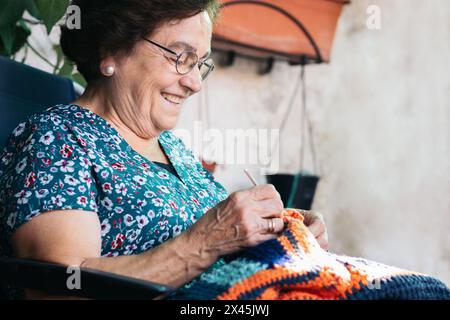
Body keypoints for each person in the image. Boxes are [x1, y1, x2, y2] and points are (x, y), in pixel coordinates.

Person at [0, 0, 328, 299]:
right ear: (111, 50)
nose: (195, 82)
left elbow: (225, 239)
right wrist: (207, 241)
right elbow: (58, 289)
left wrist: (280, 229)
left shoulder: (174, 148)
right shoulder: (59, 138)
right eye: (180, 57)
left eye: (200, 63)